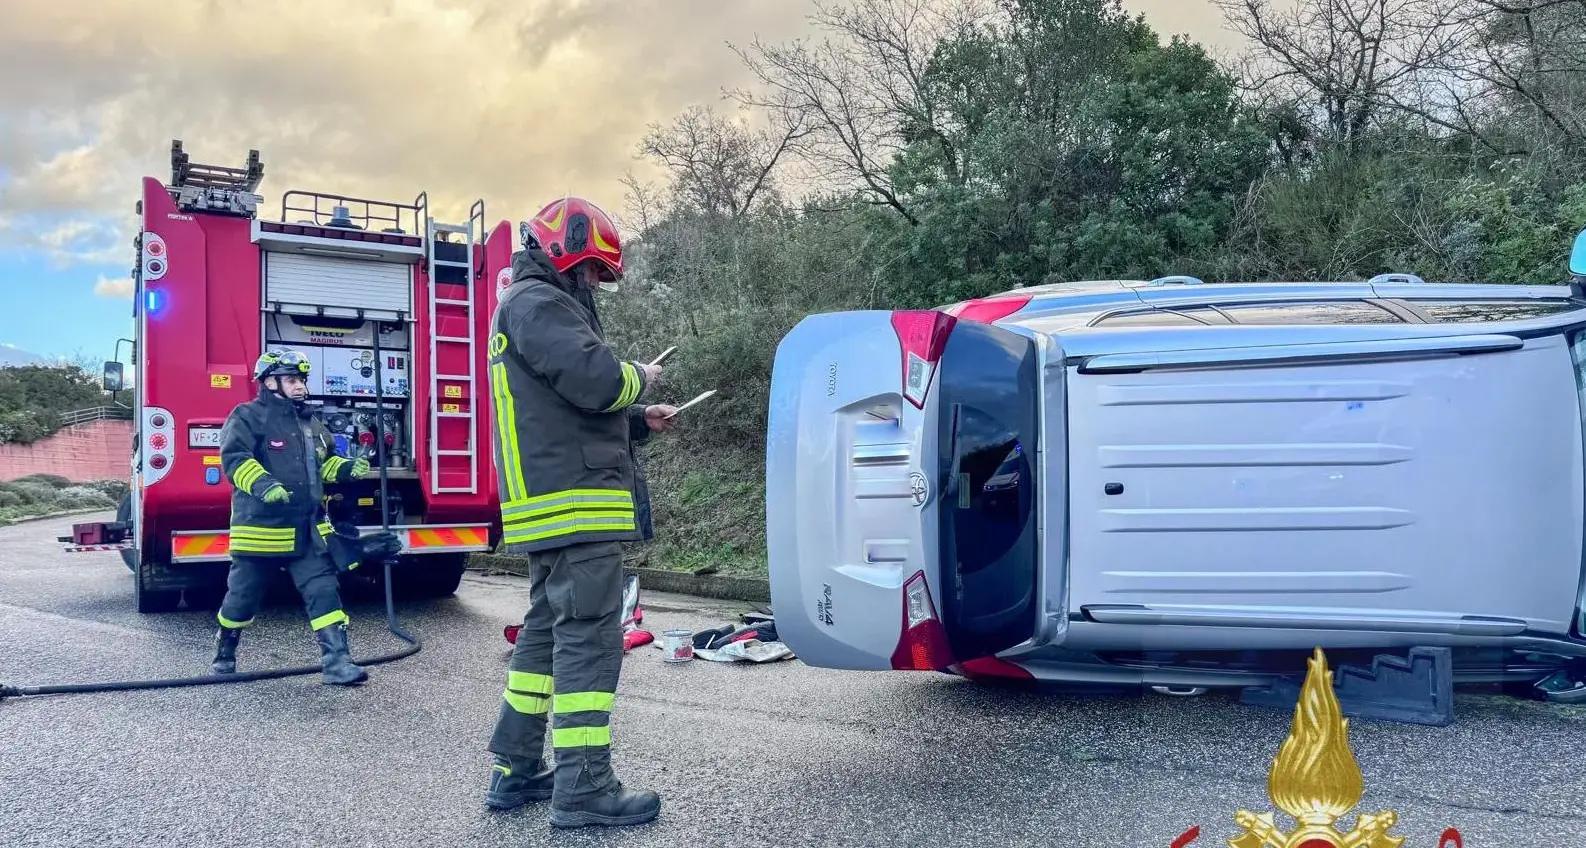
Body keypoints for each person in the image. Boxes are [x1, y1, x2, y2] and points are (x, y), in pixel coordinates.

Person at [482, 196, 678, 829]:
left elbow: (563, 406)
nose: (595, 282)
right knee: (590, 641)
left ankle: (515, 767)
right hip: (576, 506)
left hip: (554, 505)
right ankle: (585, 788)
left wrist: (637, 421)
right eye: (592, 269)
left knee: (544, 632)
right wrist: (640, 377)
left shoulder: (527, 305)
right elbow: (596, 380)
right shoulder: (539, 303)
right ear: (563, 249)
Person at [211, 349, 373, 686]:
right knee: (242, 599)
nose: (300, 386)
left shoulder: (311, 424)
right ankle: (225, 649)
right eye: (291, 380)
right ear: (270, 383)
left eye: (301, 380)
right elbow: (235, 459)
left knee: (324, 589)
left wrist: (347, 469)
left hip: (307, 530)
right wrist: (264, 485)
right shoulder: (246, 417)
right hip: (261, 531)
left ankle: (337, 663)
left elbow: (324, 463)